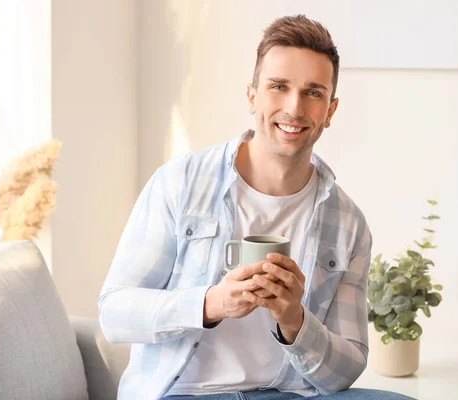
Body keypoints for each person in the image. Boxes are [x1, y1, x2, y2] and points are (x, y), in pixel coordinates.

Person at [98, 15, 414, 400]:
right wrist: (211, 303)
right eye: (278, 86)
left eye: (313, 92)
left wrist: (294, 321)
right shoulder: (180, 183)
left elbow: (345, 370)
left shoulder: (347, 223)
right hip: (184, 393)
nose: (294, 108)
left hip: (287, 393)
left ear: (330, 111)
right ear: (252, 97)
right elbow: (114, 314)